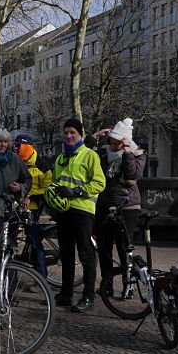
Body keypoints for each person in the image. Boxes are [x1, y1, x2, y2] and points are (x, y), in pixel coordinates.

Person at [45, 118, 106, 313]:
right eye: (66, 133)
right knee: (66, 253)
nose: (69, 136)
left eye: (72, 132)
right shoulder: (61, 158)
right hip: (63, 211)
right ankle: (66, 294)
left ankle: (88, 295)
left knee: (86, 253)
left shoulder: (89, 155)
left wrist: (76, 192)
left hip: (82, 210)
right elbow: (56, 182)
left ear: (80, 134)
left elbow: (99, 183)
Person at [92, 118, 147, 298]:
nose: (113, 146)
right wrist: (94, 137)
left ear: (125, 141)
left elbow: (132, 175)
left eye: (117, 142)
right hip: (104, 205)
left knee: (125, 248)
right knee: (104, 247)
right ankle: (106, 285)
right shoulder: (102, 153)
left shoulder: (137, 154)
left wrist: (126, 152)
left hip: (127, 206)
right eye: (112, 142)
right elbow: (84, 152)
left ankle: (128, 284)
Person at [13, 134, 52, 278]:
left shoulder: (42, 165)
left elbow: (48, 187)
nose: (16, 148)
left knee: (35, 242)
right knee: (10, 242)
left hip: (33, 208)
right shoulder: (16, 163)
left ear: (27, 147)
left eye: (19, 146)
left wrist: (31, 197)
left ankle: (42, 277)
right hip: (17, 207)